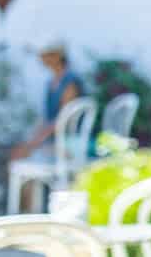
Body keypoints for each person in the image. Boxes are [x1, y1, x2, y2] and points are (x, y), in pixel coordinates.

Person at [8, 37, 90, 211]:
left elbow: (62, 120)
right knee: (19, 153)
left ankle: (26, 212)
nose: (42, 59)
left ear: (57, 55)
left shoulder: (70, 81)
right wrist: (31, 142)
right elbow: (46, 120)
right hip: (55, 141)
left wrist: (33, 144)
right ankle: (27, 211)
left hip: (71, 143)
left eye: (45, 55)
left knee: (23, 155)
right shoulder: (51, 83)